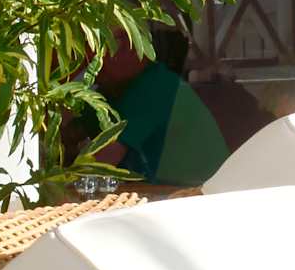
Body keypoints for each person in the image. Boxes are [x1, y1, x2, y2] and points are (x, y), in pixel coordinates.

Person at [92, 28, 229, 186]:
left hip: (202, 192)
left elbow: (103, 159)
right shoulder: (111, 89)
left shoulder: (155, 85)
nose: (92, 60)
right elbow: (75, 131)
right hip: (172, 191)